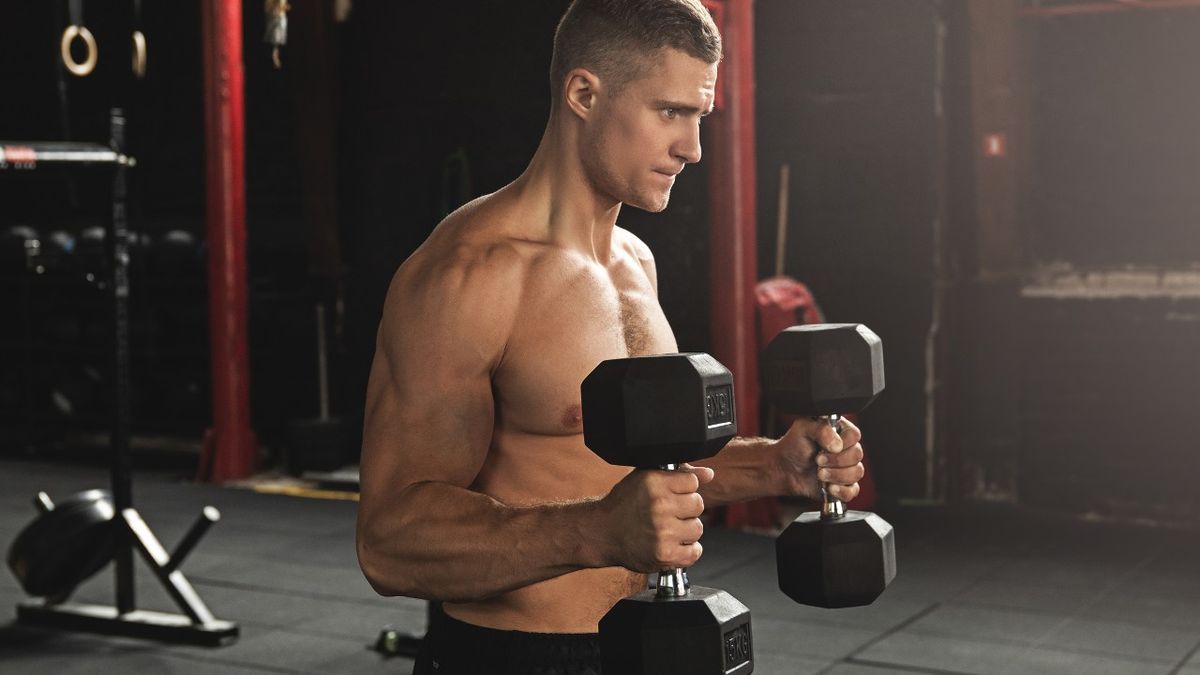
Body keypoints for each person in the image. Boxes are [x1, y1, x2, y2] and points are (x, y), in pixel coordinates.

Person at [356, 1, 867, 672]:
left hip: (642, 646)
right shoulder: (471, 274)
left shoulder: (634, 263)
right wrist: (597, 530)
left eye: (699, 117)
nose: (693, 148)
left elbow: (638, 481)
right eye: (670, 112)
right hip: (511, 657)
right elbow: (389, 541)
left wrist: (775, 464)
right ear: (583, 92)